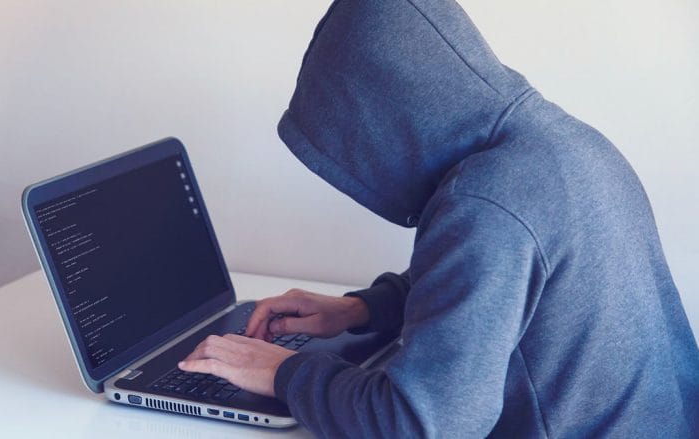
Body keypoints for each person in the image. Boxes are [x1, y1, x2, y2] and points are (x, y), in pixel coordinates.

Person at [179, 0, 699, 436]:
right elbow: (502, 290)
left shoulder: (487, 203)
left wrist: (283, 372)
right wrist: (361, 309)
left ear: (384, 119)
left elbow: (419, 425)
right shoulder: (564, 145)